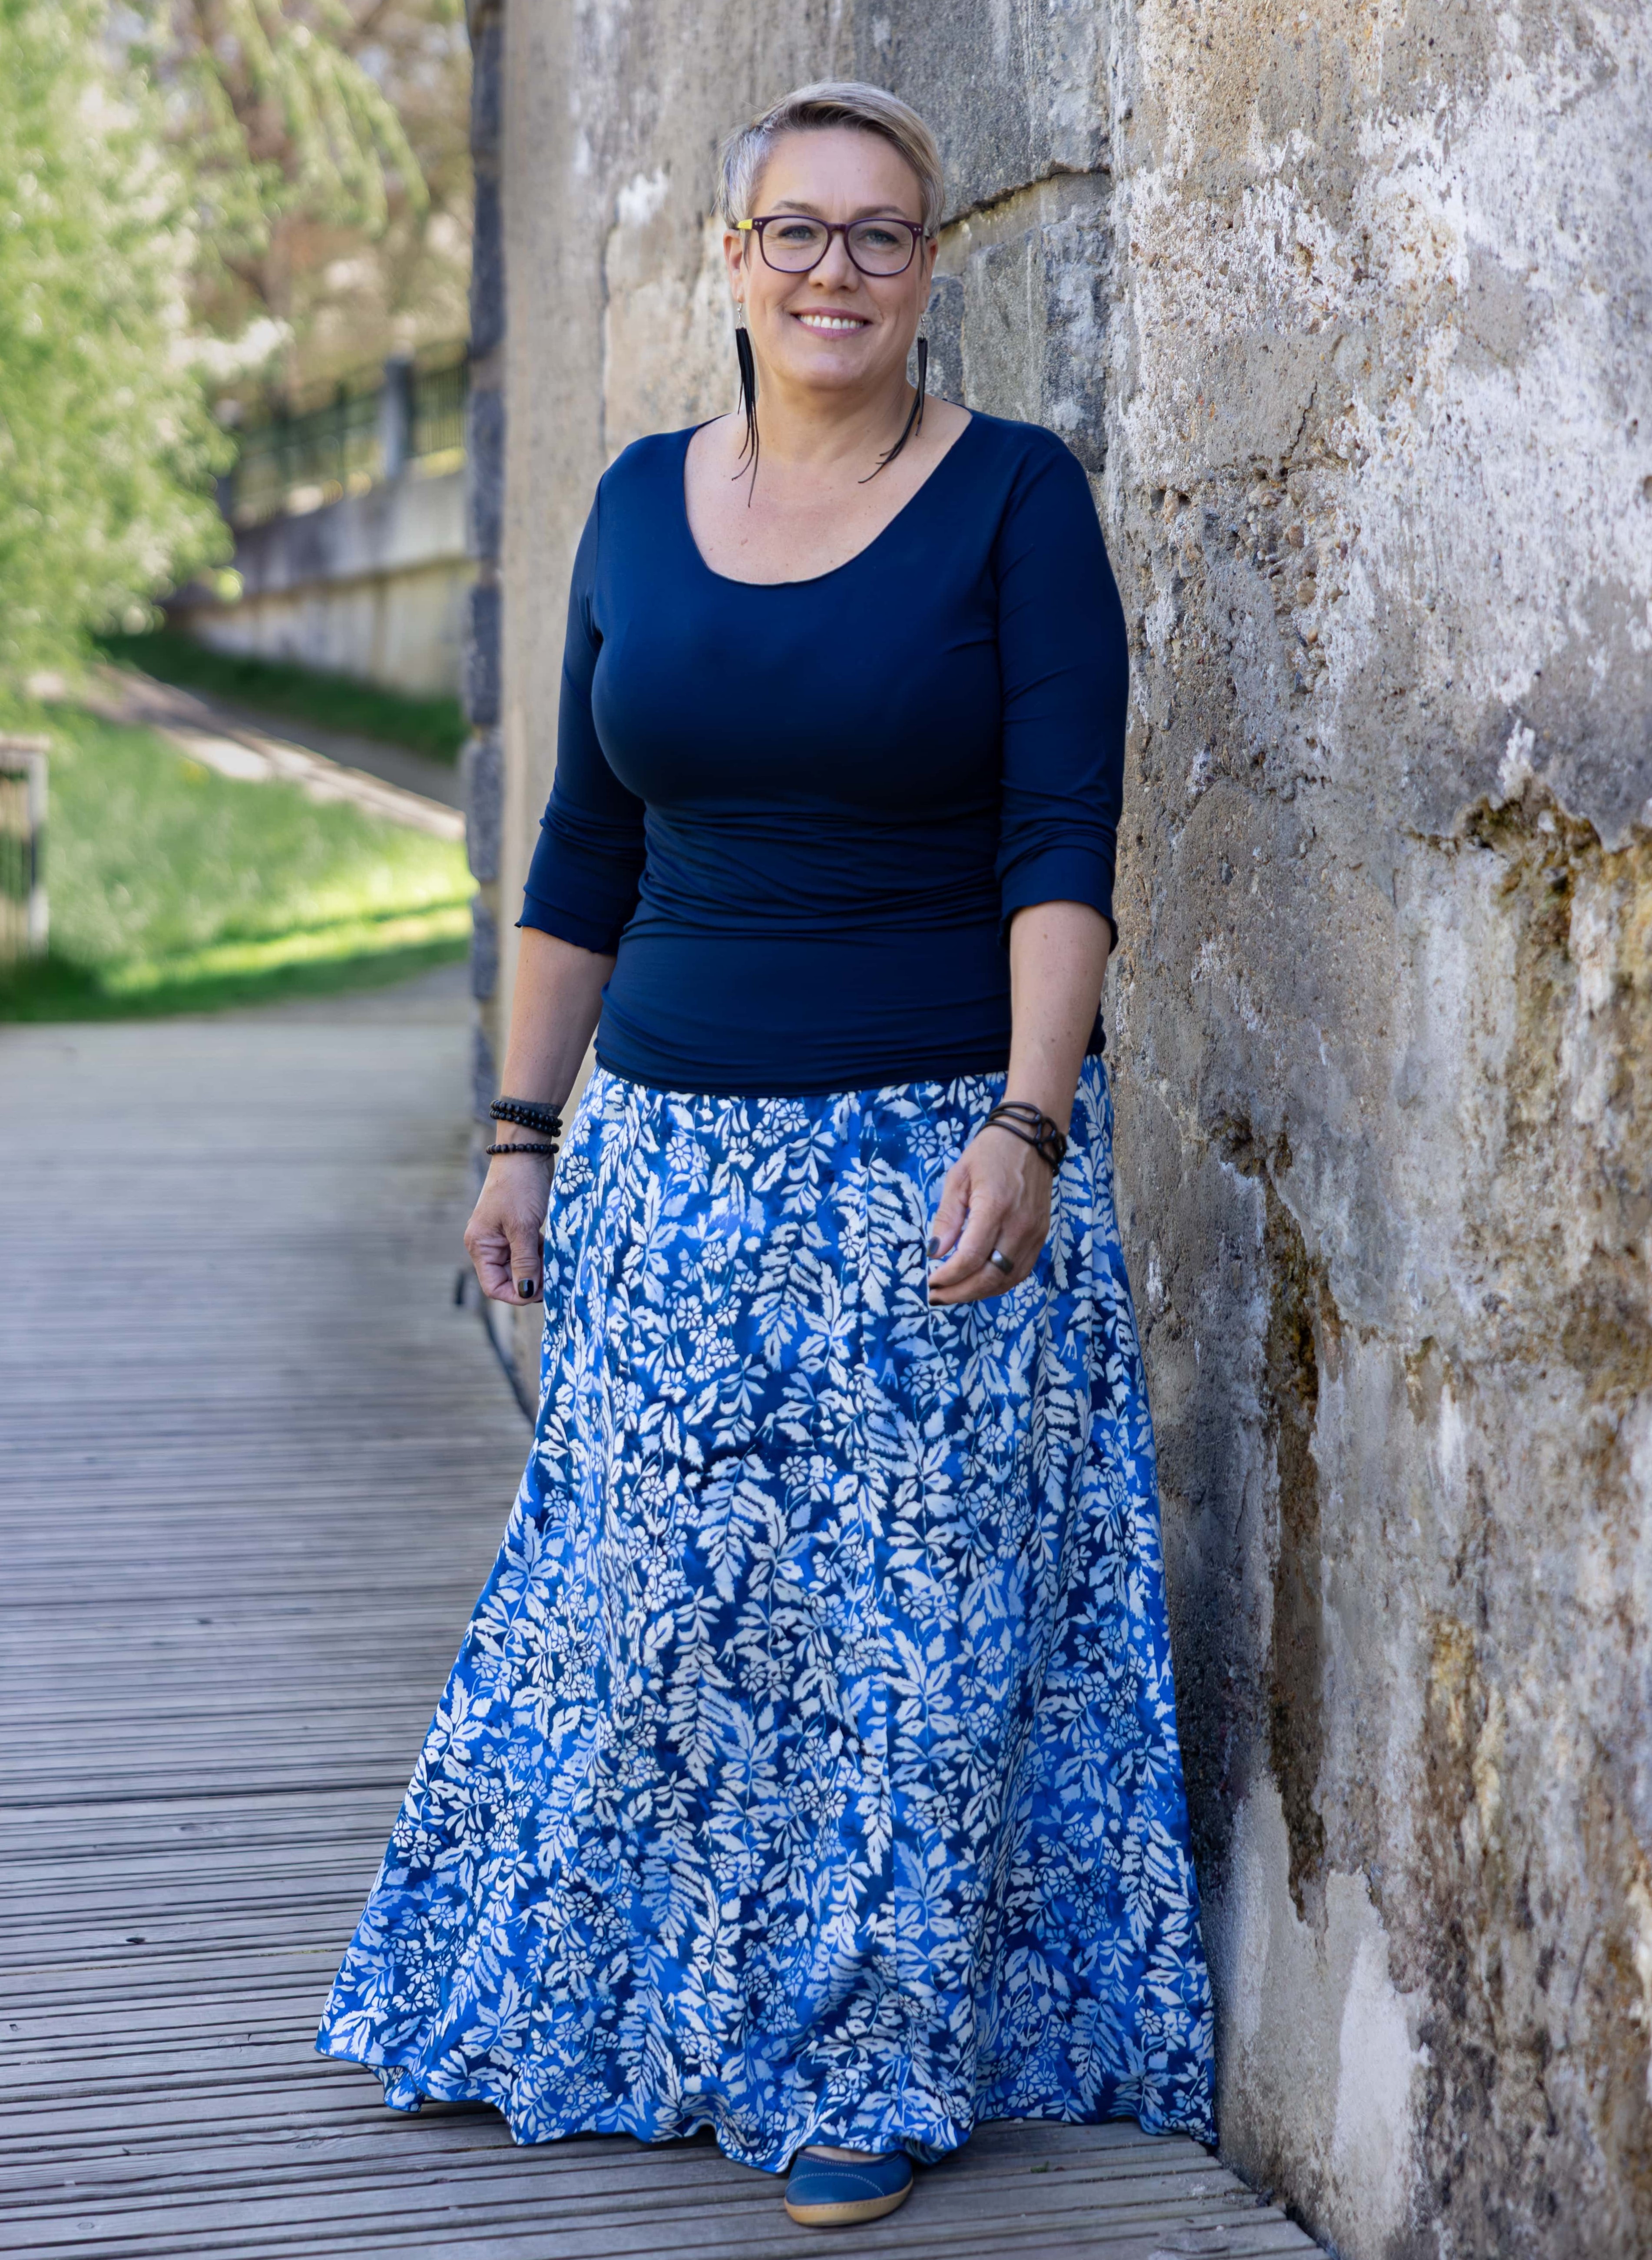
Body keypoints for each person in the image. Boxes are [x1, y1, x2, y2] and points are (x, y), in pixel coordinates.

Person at [318, 79, 1216, 2232]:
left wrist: (1030, 1115)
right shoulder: (638, 504)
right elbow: (582, 846)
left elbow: (1058, 840)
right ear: (731, 261)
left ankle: (858, 2066)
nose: (835, 268)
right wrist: (522, 1134)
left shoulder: (1014, 499)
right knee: (646, 1610)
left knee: (904, 1628)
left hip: (928, 1156)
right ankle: (631, 2003)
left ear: (931, 266)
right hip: (666, 1159)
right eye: (795, 230)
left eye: (880, 232)